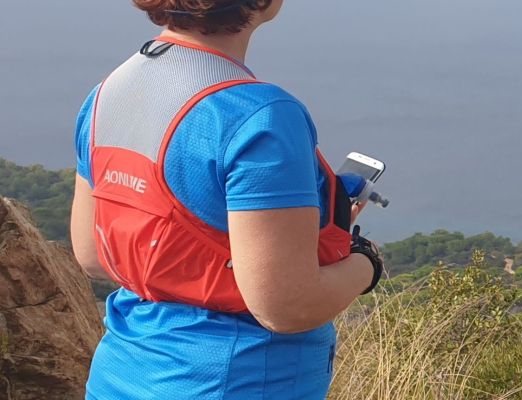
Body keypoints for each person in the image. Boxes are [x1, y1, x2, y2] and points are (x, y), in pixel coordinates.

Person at [67, 1, 383, 398]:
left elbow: (93, 253)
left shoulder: (109, 92)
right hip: (233, 380)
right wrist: (365, 261)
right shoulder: (259, 116)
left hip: (122, 376)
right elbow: (286, 307)